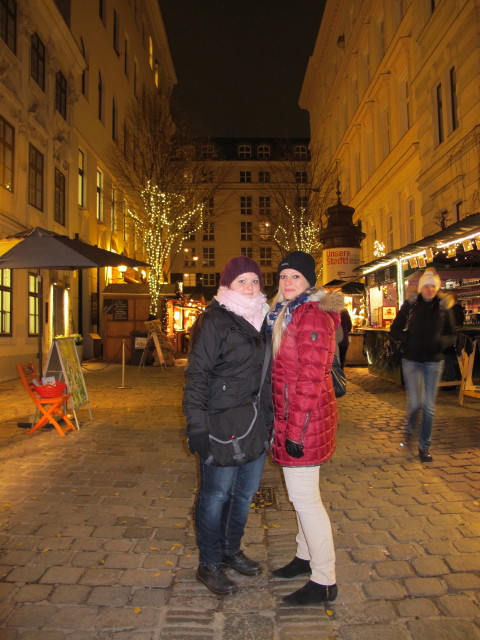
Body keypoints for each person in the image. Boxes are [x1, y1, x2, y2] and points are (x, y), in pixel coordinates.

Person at [183, 256, 272, 595]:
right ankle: (209, 563)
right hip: (220, 423)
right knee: (216, 494)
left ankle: (231, 550)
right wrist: (196, 426)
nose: (250, 287)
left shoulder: (265, 320)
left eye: (254, 280)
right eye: (242, 281)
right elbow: (197, 375)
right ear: (227, 285)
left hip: (255, 422)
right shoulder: (214, 321)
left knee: (244, 493)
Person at [266, 251, 343, 606]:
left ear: (309, 281)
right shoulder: (288, 312)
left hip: (304, 420)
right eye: (283, 277)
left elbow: (311, 379)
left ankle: (325, 578)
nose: (287, 283)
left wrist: (295, 431)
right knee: (301, 496)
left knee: (306, 500)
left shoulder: (312, 315)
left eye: (295, 277)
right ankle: (304, 556)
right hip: (295, 417)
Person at [390, 268, 456, 462]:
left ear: (437, 288)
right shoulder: (410, 305)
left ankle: (424, 447)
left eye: (433, 286)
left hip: (434, 362)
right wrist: (408, 339)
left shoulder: (444, 307)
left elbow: (452, 334)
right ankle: (409, 428)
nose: (429, 290)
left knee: (428, 407)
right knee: (415, 404)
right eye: (426, 286)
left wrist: (441, 343)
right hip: (411, 360)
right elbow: (394, 329)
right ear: (421, 287)